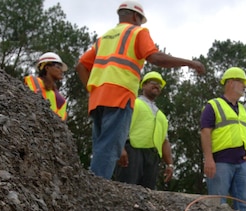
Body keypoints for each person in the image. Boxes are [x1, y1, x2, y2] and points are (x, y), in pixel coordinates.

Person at [75, 1, 205, 179]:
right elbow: (156, 57)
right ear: (136, 17)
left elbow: (81, 66)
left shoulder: (105, 37)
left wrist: (91, 89)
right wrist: (189, 63)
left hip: (98, 98)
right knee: (108, 150)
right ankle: (94, 188)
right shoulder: (137, 32)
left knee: (100, 147)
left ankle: (92, 185)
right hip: (119, 95)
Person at [200, 67, 246, 211]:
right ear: (231, 82)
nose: (245, 86)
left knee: (245, 205)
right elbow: (205, 131)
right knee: (217, 205)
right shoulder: (213, 105)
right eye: (242, 82)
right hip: (220, 162)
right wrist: (208, 159)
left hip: (242, 164)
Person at [114, 71, 173, 189]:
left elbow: (164, 141)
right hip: (132, 152)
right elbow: (118, 125)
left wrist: (170, 164)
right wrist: (120, 148)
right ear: (143, 85)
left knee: (147, 194)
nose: (157, 85)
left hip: (152, 158)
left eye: (159, 84)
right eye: (153, 82)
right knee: (127, 190)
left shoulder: (161, 116)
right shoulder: (134, 102)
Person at [24, 52, 68, 121]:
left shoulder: (60, 97)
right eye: (58, 67)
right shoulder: (34, 81)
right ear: (47, 68)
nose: (61, 70)